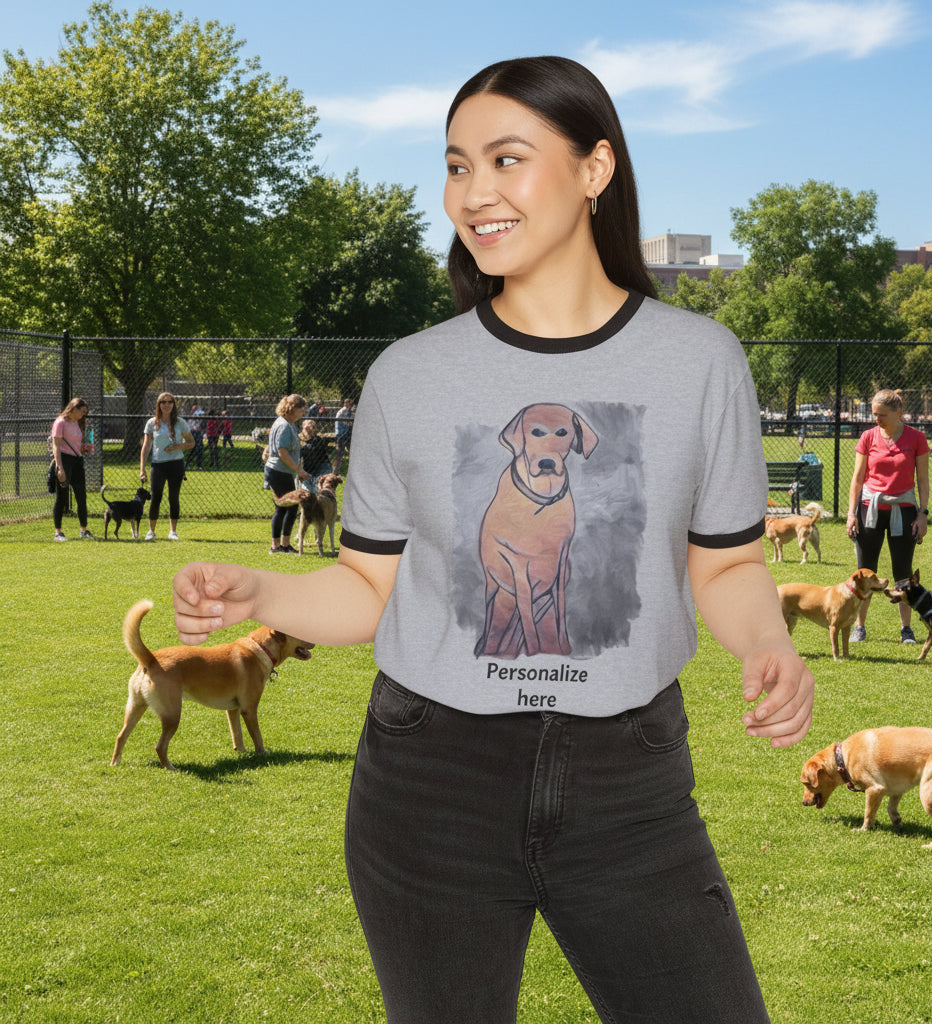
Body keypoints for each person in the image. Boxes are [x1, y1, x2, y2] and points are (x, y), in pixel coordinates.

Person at [172, 56, 813, 1024]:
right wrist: (256, 593)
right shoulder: (412, 373)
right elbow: (365, 585)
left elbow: (724, 561)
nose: (474, 194)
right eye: (457, 166)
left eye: (506, 160)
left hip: (628, 786)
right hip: (429, 781)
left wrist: (767, 642)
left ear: (595, 169)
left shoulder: (698, 360)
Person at [846, 388, 930, 644]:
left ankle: (906, 629)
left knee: (903, 572)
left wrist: (922, 514)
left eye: (882, 415)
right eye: (874, 414)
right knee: (865, 572)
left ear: (898, 413)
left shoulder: (917, 438)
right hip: (869, 511)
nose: (877, 419)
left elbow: (923, 480)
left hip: (904, 511)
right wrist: (851, 514)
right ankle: (859, 627)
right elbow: (857, 479)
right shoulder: (868, 437)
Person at [140, 392, 194, 541]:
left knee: (173, 497)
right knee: (156, 497)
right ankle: (151, 531)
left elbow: (191, 442)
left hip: (176, 464)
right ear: (159, 405)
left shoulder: (180, 422)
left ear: (173, 404)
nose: (167, 405)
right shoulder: (152, 423)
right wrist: (142, 469)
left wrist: (177, 446)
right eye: (163, 402)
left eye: (170, 402)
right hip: (158, 465)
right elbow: (146, 446)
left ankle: (173, 532)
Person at [263, 394, 311, 553]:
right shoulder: (284, 425)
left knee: (287, 508)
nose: (302, 414)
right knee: (285, 507)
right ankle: (278, 546)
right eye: (301, 410)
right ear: (292, 409)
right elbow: (282, 452)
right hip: (278, 471)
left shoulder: (287, 423)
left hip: (281, 471)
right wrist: (299, 470)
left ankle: (282, 545)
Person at [51, 396, 95, 540]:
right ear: (74, 409)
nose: (83, 415)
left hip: (77, 461)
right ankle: (58, 532)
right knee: (62, 497)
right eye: (82, 412)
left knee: (81, 496)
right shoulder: (60, 422)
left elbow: (75, 445)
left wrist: (84, 448)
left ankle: (84, 530)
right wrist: (60, 468)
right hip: (64, 460)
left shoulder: (77, 423)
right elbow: (56, 446)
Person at [298, 418, 332, 493]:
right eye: (307, 428)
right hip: (306, 471)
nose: (309, 430)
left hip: (320, 469)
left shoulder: (317, 440)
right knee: (307, 492)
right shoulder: (298, 440)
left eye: (312, 427)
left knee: (317, 491)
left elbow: (322, 458)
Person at [332, 398, 355, 471]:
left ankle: (337, 469)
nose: (351, 405)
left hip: (344, 433)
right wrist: (348, 423)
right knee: (342, 451)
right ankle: (337, 469)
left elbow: (352, 420)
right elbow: (351, 420)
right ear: (346, 404)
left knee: (341, 452)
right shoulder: (344, 410)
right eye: (350, 404)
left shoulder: (347, 411)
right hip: (343, 433)